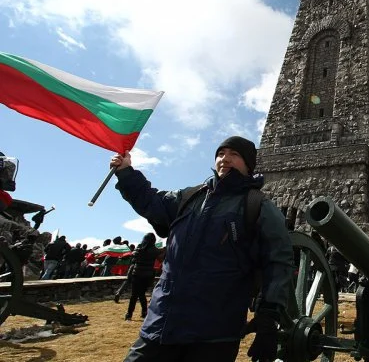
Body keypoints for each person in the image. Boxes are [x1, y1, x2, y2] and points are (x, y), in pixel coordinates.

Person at [110, 136, 294, 362]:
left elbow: (278, 262)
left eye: (234, 154)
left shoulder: (259, 207)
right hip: (162, 323)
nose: (225, 159)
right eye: (220, 153)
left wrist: (268, 317)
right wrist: (127, 173)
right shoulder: (188, 197)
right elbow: (152, 201)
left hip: (214, 334)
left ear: (248, 164)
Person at [125, 233, 160, 321]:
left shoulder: (140, 249)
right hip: (148, 275)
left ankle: (129, 314)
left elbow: (133, 256)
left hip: (137, 274)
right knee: (141, 294)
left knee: (134, 295)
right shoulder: (155, 251)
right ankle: (144, 312)